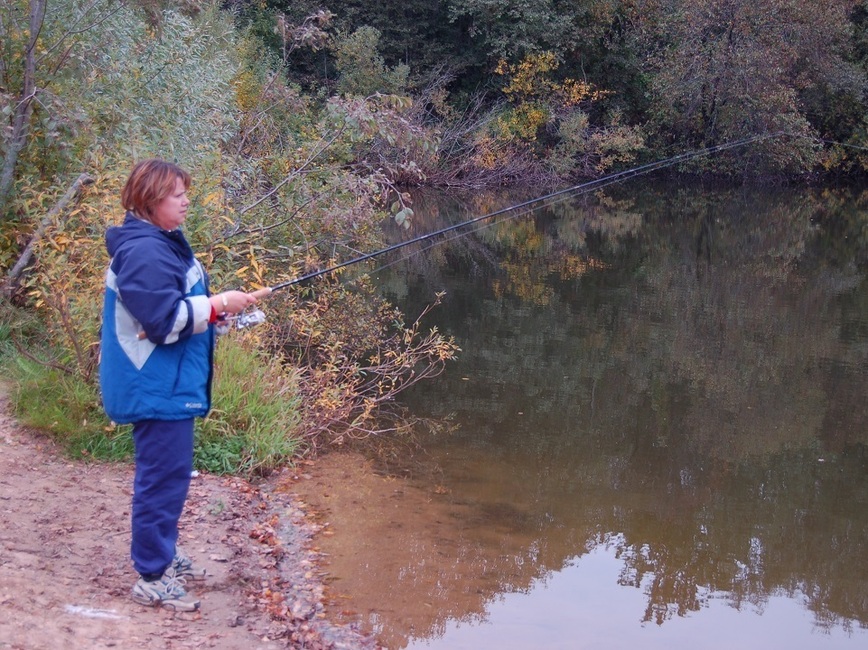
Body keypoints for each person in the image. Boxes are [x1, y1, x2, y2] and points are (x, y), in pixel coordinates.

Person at [99, 159, 258, 611]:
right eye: (176, 194)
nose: (186, 200)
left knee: (169, 475)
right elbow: (164, 322)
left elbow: (174, 311)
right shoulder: (145, 252)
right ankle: (151, 573)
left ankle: (162, 552)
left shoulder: (160, 244)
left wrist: (215, 313)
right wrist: (214, 304)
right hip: (154, 385)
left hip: (165, 382)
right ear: (150, 200)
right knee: (162, 478)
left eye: (185, 191)